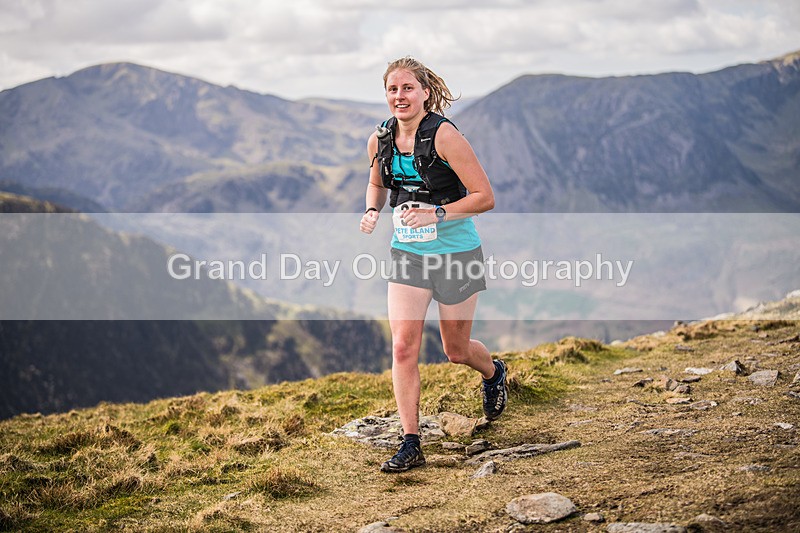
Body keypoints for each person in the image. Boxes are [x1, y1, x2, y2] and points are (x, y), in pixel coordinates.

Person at [359, 56, 507, 473]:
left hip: (458, 253)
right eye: (392, 89)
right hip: (408, 254)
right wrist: (372, 210)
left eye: (408, 88)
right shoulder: (379, 139)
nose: (399, 96)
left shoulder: (444, 136)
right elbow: (376, 184)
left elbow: (485, 196)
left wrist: (436, 214)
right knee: (403, 345)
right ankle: (410, 441)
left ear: (425, 92)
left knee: (455, 350)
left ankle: (493, 371)